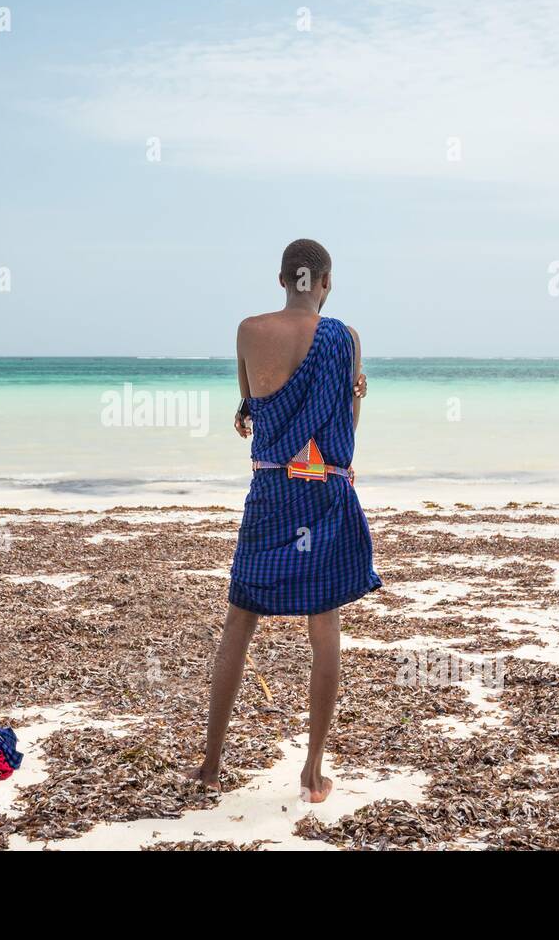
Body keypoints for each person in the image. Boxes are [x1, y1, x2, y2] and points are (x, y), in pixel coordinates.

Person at [185, 238, 383, 803]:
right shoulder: (345, 339)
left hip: (271, 493)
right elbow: (349, 426)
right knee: (325, 636)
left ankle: (211, 766)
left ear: (281, 279)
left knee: (238, 628)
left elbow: (249, 407)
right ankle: (312, 771)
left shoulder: (249, 330)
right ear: (325, 282)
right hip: (323, 494)